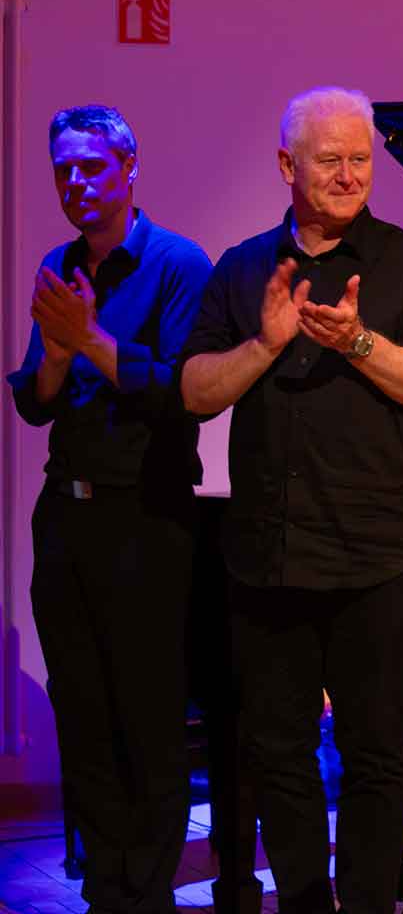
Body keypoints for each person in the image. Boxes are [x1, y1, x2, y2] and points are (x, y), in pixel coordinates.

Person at [179, 87, 403, 914]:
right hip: (269, 554)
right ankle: (304, 904)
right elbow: (194, 392)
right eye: (329, 159)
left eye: (360, 159)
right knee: (278, 752)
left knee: (378, 753)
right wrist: (267, 343)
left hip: (381, 554)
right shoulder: (242, 268)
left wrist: (360, 342)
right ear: (287, 166)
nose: (348, 175)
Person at [6, 104, 211, 912]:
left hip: (146, 519)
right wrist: (59, 354)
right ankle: (106, 890)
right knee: (83, 714)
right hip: (67, 519)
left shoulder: (178, 264)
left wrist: (89, 340)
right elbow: (36, 401)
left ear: (129, 167)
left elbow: (182, 391)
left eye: (91, 166)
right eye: (63, 169)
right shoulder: (60, 265)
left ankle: (147, 892)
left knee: (147, 718)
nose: (76, 182)